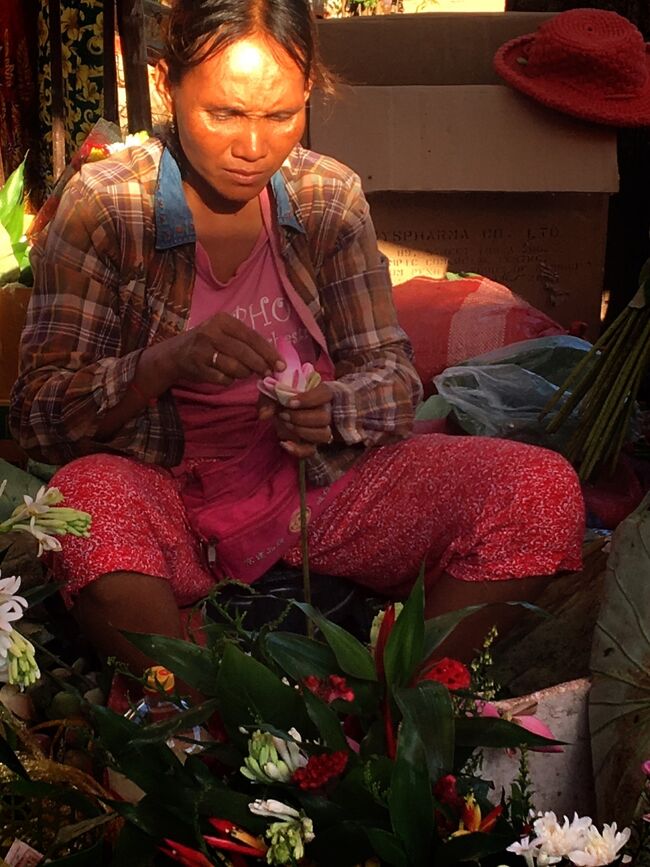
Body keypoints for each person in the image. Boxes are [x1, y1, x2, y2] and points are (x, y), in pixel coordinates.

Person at [10, 0, 584, 671]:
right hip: (167, 499)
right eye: (222, 113)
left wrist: (331, 407)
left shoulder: (326, 198)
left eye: (280, 114)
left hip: (322, 495)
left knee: (541, 491)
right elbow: (39, 418)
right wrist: (160, 364)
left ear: (308, 90)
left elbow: (392, 379)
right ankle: (191, 712)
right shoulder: (106, 207)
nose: (253, 147)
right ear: (166, 82)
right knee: (83, 502)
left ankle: (392, 702)